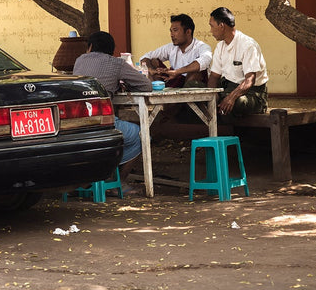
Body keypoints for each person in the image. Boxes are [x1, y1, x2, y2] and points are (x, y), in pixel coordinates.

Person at [72, 30, 150, 183]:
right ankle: (117, 183)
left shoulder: (79, 60)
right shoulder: (116, 63)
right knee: (142, 134)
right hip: (101, 126)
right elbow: (146, 85)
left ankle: (102, 178)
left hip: (77, 124)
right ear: (112, 51)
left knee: (118, 128)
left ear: (90, 47)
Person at [206, 6, 269, 118]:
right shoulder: (220, 46)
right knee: (194, 88)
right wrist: (213, 97)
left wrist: (231, 97)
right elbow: (214, 77)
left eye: (212, 26)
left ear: (221, 26)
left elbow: (249, 80)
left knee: (237, 103)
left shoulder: (248, 45)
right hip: (227, 88)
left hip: (251, 93)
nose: (210, 31)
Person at [139, 13, 212, 87]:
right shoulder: (171, 47)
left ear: (188, 32)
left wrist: (177, 72)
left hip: (192, 85)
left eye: (175, 30)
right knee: (153, 61)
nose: (171, 34)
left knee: (195, 72)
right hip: (174, 82)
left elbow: (204, 61)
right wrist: (151, 69)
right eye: (171, 31)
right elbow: (145, 57)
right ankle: (158, 92)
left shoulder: (202, 47)